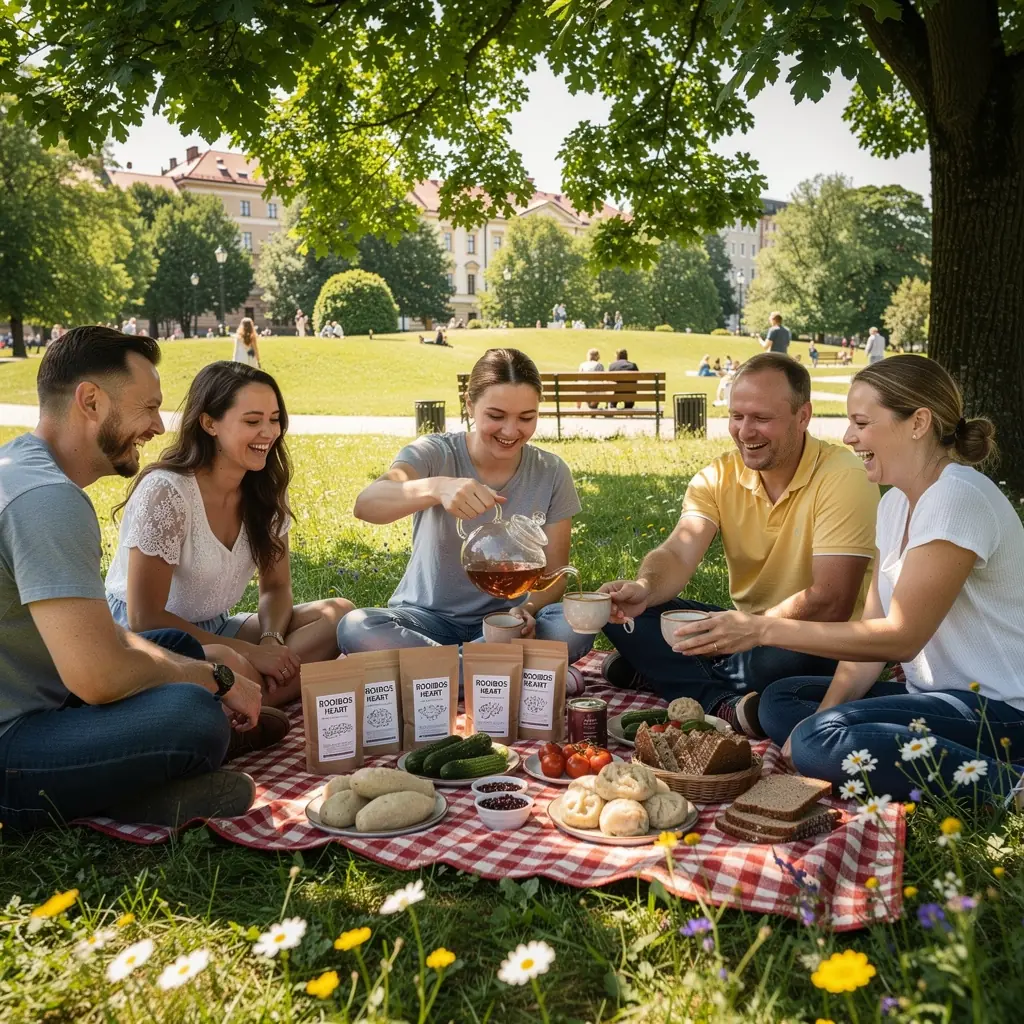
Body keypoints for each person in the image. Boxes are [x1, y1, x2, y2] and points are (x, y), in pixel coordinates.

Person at [671, 357, 1024, 802]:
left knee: (815, 739)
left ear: (918, 423)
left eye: (861, 422)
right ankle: (916, 751)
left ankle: (1010, 785)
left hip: (1003, 709)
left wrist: (760, 628)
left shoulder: (957, 498)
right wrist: (826, 717)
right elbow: (866, 650)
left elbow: (900, 640)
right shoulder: (895, 504)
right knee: (784, 699)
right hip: (935, 698)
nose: (848, 436)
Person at [0, 326, 266, 830]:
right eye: (147, 408)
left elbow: (94, 638)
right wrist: (217, 678)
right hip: (12, 743)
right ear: (91, 401)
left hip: (42, 695)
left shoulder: (22, 467)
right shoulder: (47, 501)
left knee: (173, 646)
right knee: (195, 714)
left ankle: (131, 787)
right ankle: (120, 795)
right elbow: (97, 677)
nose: (159, 426)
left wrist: (202, 658)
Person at [599, 353, 879, 735]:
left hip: (816, 639)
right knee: (624, 615)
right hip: (747, 630)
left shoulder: (844, 476)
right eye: (737, 416)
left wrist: (750, 632)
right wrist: (645, 588)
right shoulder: (717, 475)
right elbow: (679, 551)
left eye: (762, 418)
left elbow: (830, 601)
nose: (745, 432)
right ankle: (722, 701)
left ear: (803, 416)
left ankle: (665, 673)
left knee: (773, 664)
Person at [105, 361, 353, 708]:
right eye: (252, 421)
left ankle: (246, 700)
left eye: (275, 419)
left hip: (217, 628)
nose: (269, 432)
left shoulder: (265, 491)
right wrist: (251, 653)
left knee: (338, 615)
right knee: (229, 662)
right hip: (147, 638)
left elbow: (277, 588)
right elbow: (145, 617)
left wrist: (270, 641)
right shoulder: (167, 492)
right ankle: (254, 699)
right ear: (209, 423)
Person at [337, 348, 591, 670]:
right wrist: (437, 487)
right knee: (357, 626)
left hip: (509, 625)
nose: (511, 432)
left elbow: (554, 575)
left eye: (526, 418)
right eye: (496, 416)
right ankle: (499, 670)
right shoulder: (433, 452)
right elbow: (367, 504)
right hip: (427, 621)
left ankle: (441, 674)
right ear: (470, 405)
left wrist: (526, 610)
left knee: (574, 625)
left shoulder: (551, 471)